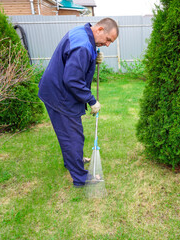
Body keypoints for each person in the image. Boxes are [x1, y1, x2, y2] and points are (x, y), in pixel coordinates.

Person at [38, 18, 119, 188]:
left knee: (71, 134)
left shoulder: (83, 34)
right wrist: (92, 101)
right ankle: (81, 178)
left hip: (58, 88)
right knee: (72, 136)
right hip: (59, 95)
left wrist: (93, 57)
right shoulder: (83, 46)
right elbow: (73, 80)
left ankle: (73, 160)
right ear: (100, 29)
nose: (108, 44)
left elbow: (75, 62)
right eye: (108, 39)